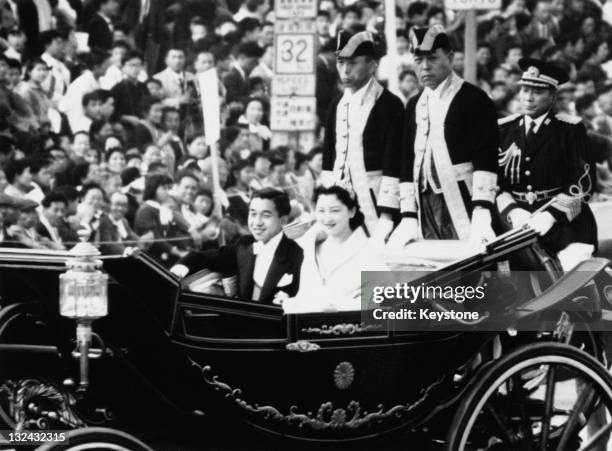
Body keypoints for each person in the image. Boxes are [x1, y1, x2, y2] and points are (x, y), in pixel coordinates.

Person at [389, 25, 499, 247]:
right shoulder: (413, 105)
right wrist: (408, 214)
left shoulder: (474, 99)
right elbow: (406, 161)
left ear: (450, 57)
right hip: (425, 203)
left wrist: (482, 210)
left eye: (432, 58)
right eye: (418, 60)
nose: (425, 66)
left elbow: (485, 155)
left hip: (465, 200)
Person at [496, 58, 597, 271]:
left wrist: (551, 215)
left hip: (566, 225)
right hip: (518, 223)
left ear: (552, 96)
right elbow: (495, 182)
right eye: (524, 90)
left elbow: (584, 182)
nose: (529, 97)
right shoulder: (504, 130)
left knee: (573, 277)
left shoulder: (569, 129)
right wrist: (512, 210)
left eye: (537, 92)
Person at [321, 29, 404, 242]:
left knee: (375, 271)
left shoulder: (389, 104)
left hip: (377, 203)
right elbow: (329, 157)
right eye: (341, 62)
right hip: (340, 203)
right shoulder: (337, 104)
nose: (345, 70)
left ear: (372, 64)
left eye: (353, 63)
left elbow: (394, 161)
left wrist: (387, 214)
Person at [171, 188, 303, 304]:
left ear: (283, 220)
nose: (257, 222)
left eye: (266, 215)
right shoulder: (244, 245)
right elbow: (201, 257)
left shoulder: (298, 255)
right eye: (253, 214)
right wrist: (176, 273)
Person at [282, 184, 388, 313]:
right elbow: (304, 296)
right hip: (307, 325)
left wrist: (341, 306)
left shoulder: (367, 251)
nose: (327, 218)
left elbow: (388, 299)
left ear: (351, 211)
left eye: (335, 210)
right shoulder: (310, 249)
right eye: (321, 211)